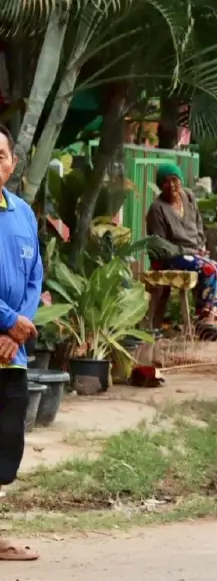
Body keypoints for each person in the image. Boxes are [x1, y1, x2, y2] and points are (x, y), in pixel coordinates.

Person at [0, 124, 42, 562]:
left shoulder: (23, 213)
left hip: (13, 354)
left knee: (6, 443)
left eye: (0, 155)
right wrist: (10, 321)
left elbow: (35, 276)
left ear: (11, 164)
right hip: (9, 335)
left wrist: (19, 329)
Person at [145, 163, 217, 338]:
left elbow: (198, 224)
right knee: (210, 270)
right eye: (166, 182)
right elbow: (160, 245)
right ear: (160, 185)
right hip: (172, 256)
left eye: (175, 180)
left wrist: (200, 245)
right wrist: (189, 251)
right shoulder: (157, 208)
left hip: (194, 253)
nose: (171, 186)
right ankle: (203, 322)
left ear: (181, 181)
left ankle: (209, 319)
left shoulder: (188, 197)